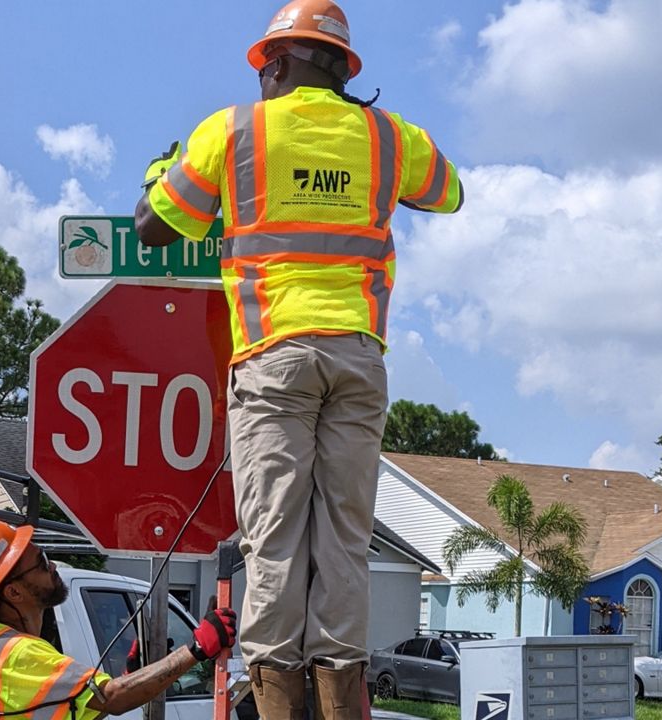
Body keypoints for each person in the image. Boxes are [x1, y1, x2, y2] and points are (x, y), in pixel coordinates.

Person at [133, 1, 463, 718]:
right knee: (344, 539)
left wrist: (163, 168)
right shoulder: (386, 136)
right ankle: (343, 703)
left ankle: (277, 701)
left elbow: (153, 226)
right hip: (358, 358)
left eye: (265, 70)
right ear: (343, 69)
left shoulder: (235, 131)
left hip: (274, 356)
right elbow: (449, 192)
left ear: (279, 63)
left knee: (275, 540)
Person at [0, 516, 237, 720]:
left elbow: (85, 705)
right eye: (40, 563)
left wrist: (134, 677)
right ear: (13, 593)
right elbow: (112, 699)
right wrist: (197, 647)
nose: (52, 565)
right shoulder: (17, 653)